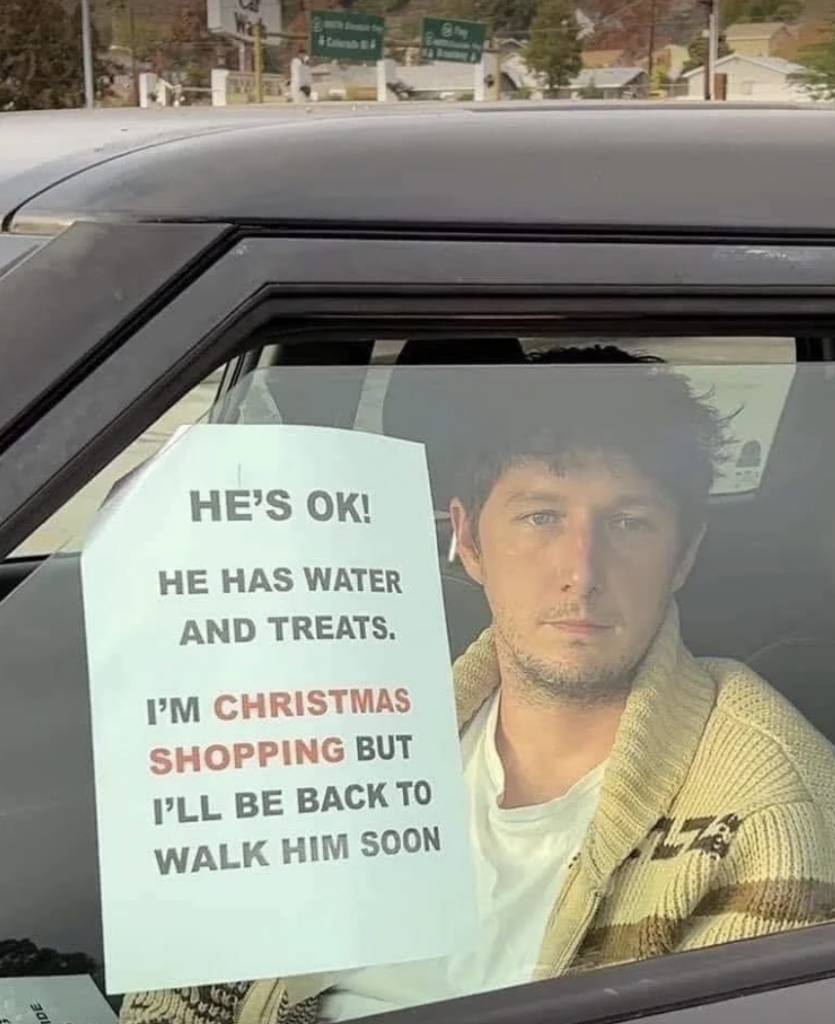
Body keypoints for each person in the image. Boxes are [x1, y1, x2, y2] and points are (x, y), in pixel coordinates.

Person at [121, 347, 835, 1024]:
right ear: (466, 541)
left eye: (628, 522)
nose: (580, 571)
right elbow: (193, 984)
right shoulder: (351, 734)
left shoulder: (768, 807)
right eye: (541, 517)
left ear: (683, 556)